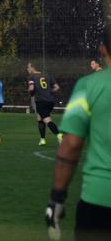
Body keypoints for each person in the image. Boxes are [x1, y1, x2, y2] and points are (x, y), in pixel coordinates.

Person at [45, 38, 111, 240]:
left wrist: (57, 197)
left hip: (99, 200)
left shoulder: (87, 85)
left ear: (102, 49)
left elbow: (71, 145)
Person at [27, 62, 62, 146]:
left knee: (47, 120)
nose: (27, 69)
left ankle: (59, 135)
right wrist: (48, 92)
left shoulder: (31, 77)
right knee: (40, 118)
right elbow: (57, 87)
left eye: (28, 67)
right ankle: (42, 140)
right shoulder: (47, 75)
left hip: (41, 101)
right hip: (50, 101)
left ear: (33, 68)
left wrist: (31, 93)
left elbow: (31, 88)